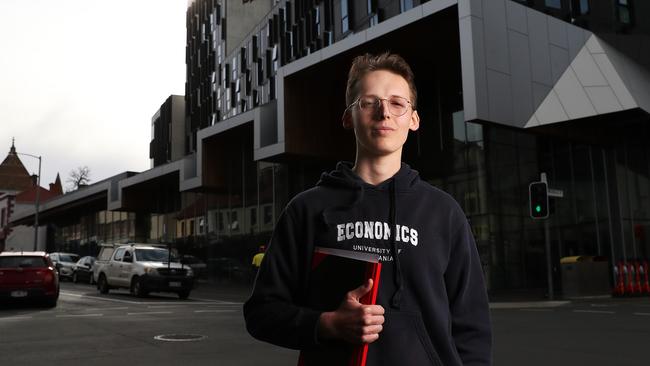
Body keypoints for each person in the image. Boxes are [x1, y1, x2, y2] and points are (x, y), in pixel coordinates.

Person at [244, 52, 492, 365]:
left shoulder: (444, 212)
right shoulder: (306, 209)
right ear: (348, 117)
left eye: (397, 103)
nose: (384, 113)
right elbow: (261, 312)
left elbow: (473, 329)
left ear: (413, 119)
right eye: (369, 102)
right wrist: (328, 324)